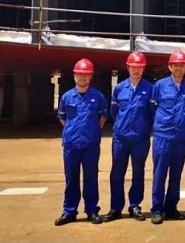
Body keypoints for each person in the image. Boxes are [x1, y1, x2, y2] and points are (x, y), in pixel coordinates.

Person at [55, 58, 108, 226]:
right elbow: (62, 118)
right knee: (71, 179)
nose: (83, 77)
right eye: (80, 74)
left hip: (91, 145)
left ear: (91, 76)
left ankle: (92, 210)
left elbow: (103, 117)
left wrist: (91, 131)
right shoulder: (67, 97)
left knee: (91, 178)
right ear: (74, 75)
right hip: (71, 145)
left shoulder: (98, 97)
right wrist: (73, 131)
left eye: (86, 75)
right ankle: (69, 211)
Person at [103, 51, 153, 222]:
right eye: (133, 67)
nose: (136, 70)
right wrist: (122, 126)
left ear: (144, 68)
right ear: (128, 67)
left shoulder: (150, 89)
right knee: (117, 173)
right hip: (121, 138)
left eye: (139, 67)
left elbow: (152, 113)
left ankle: (135, 206)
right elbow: (114, 111)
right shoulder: (119, 88)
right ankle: (115, 208)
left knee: (138, 173)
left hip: (140, 138)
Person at [149, 49, 185, 224]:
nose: (178, 68)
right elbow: (152, 109)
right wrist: (159, 126)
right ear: (170, 67)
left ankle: (171, 208)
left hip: (181, 137)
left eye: (182, 65)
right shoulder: (159, 86)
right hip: (162, 136)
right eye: (175, 65)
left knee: (176, 173)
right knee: (160, 173)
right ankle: (157, 209)